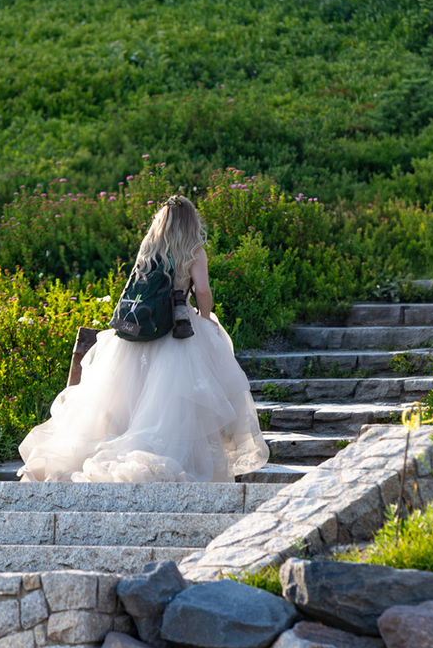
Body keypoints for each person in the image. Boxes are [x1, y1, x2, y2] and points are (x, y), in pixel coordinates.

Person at [18, 195, 269, 482]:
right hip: (178, 328)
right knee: (172, 401)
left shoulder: (150, 247)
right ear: (192, 221)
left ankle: (115, 443)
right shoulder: (194, 249)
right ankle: (172, 455)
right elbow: (202, 290)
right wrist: (206, 316)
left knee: (132, 395)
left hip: (139, 331)